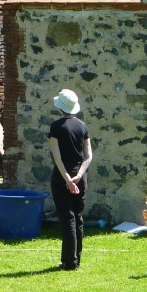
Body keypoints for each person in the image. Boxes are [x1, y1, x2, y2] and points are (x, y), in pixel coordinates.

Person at [49, 89, 94, 271]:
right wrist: (78, 176)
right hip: (80, 178)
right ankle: (75, 259)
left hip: (62, 177)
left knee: (67, 218)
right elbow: (88, 156)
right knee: (78, 217)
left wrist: (67, 179)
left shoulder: (56, 127)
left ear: (60, 108)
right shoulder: (82, 126)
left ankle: (69, 262)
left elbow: (57, 157)